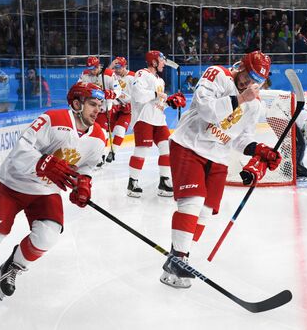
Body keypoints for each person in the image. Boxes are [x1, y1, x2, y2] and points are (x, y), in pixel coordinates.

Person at [0, 82, 106, 306]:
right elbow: (20, 150)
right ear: (77, 104)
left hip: (45, 192)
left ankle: (12, 267)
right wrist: (41, 162)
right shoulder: (52, 119)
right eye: (92, 104)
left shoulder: (98, 136)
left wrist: (83, 185)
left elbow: (85, 166)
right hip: (10, 185)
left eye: (100, 105)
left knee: (48, 235)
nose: (98, 110)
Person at [159, 50, 281, 289]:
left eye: (257, 79)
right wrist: (241, 99)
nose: (250, 82)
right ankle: (179, 259)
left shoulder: (254, 105)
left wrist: (260, 149)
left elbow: (239, 139)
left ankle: (177, 256)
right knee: (192, 203)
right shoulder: (217, 74)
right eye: (248, 74)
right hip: (189, 145)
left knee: (204, 212)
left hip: (218, 157)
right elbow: (207, 110)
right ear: (240, 66)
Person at [127, 50, 185, 198]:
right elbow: (138, 95)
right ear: (153, 62)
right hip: (144, 118)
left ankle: (164, 182)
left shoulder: (160, 80)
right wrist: (156, 95)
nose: (164, 63)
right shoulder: (142, 74)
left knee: (167, 149)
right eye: (161, 60)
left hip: (159, 119)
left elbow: (158, 103)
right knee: (142, 149)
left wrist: (170, 102)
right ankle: (132, 183)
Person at [101, 56, 135, 163]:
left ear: (125, 66)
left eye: (119, 68)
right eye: (115, 67)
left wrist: (132, 105)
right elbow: (106, 73)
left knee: (120, 130)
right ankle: (101, 154)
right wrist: (111, 65)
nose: (117, 70)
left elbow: (139, 94)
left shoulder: (133, 77)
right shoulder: (113, 75)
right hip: (114, 107)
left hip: (128, 109)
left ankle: (113, 152)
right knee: (105, 131)